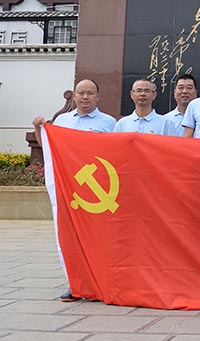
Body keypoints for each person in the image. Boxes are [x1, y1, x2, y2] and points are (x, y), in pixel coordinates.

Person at [32, 79, 116, 302]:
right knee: (71, 239)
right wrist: (39, 128)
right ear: (74, 96)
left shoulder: (109, 123)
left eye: (90, 93)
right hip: (70, 190)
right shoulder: (63, 121)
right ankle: (76, 284)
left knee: (98, 239)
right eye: (81, 93)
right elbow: (47, 147)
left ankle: (99, 284)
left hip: (98, 192)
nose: (85, 97)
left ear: (98, 97)